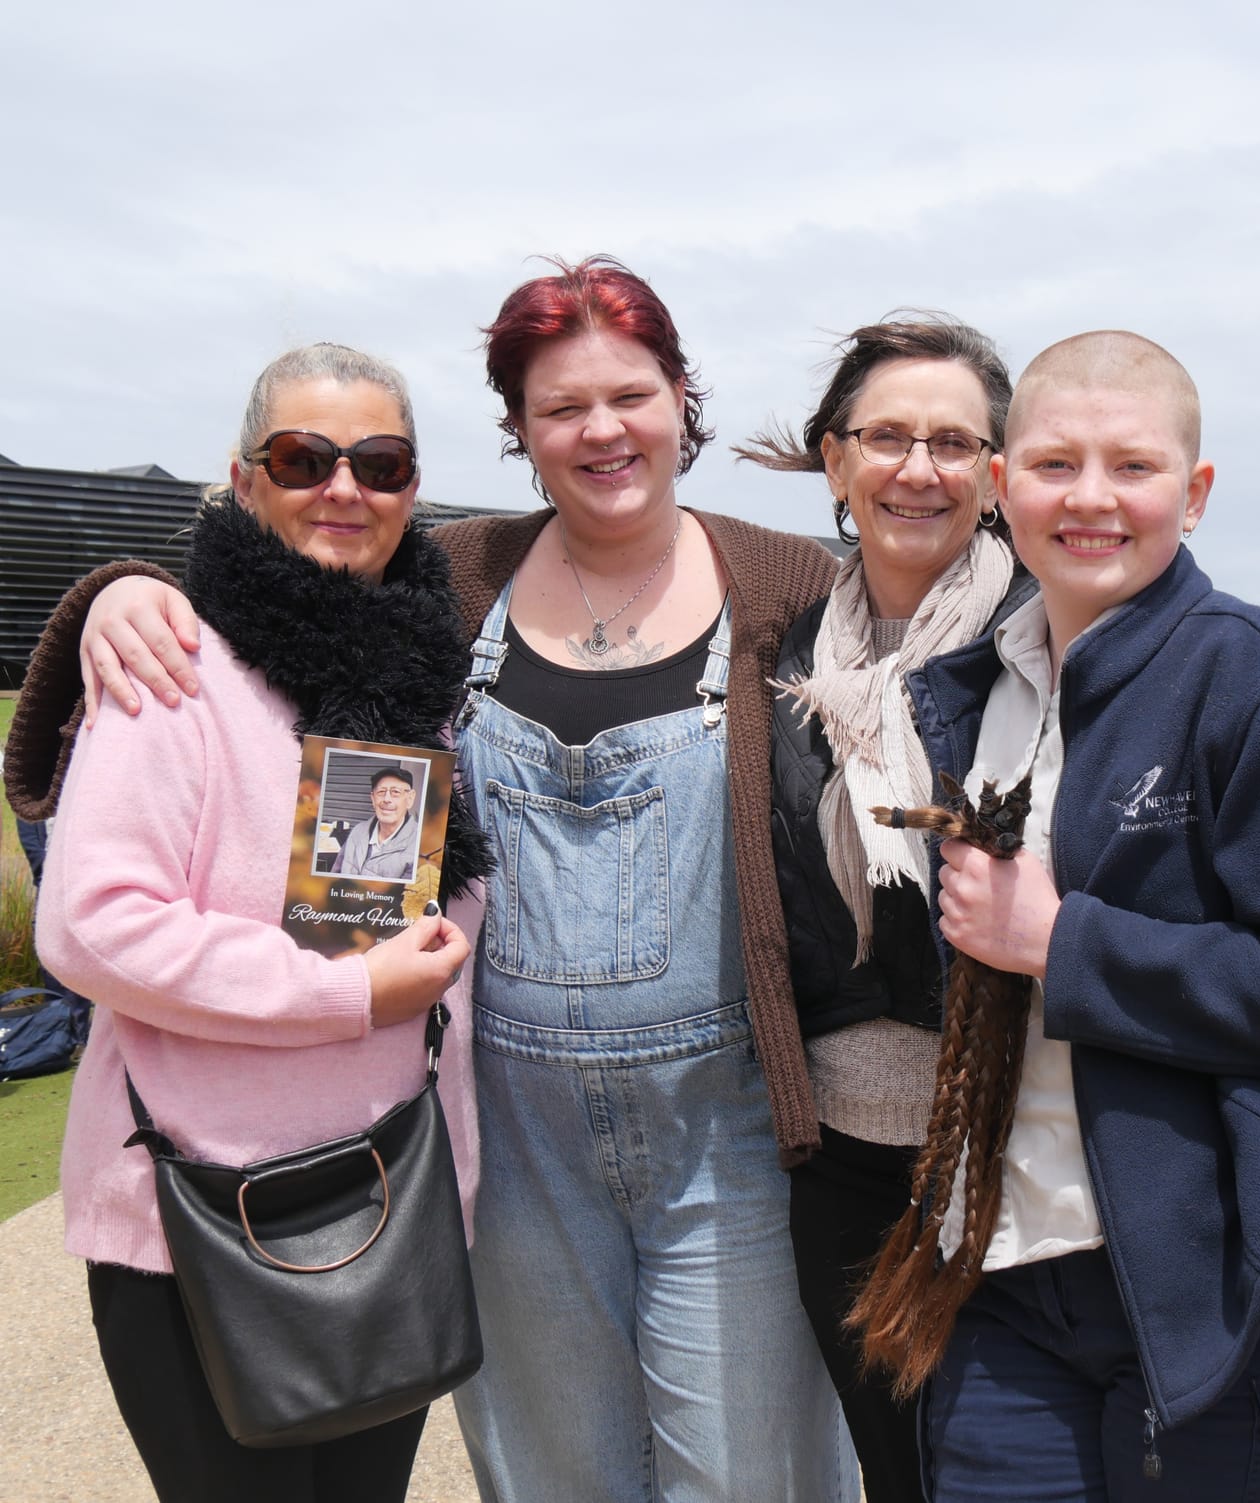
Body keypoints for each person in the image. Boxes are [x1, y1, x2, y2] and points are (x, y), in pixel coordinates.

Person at [5, 258, 854, 1503]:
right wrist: (114, 593)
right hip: (487, 1141)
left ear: (682, 397)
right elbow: (253, 611)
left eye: (630, 394)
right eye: (560, 407)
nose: (601, 429)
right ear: (518, 431)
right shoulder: (445, 584)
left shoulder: (783, 586)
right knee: (556, 1475)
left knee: (747, 1475)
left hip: (700, 1126)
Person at [885, 331, 1260, 1501]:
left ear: (1195, 491)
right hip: (1008, 1280)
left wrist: (1062, 944)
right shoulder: (976, 694)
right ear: (999, 487)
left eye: (1131, 466)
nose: (1090, 498)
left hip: (1231, 1285)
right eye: (1053, 465)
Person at [28, 343, 481, 1502]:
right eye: (303, 458)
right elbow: (91, 925)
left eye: (379, 464)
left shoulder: (416, 685)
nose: (344, 488)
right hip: (204, 1224)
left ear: (412, 490)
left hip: (387, 1203)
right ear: (243, 480)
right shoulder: (176, 666)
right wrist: (345, 992)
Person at [738, 314, 1032, 1503]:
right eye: (888, 438)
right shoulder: (781, 653)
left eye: (952, 443)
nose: (919, 469)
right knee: (896, 1477)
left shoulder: (1049, 639)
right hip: (844, 1166)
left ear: (994, 471)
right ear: (834, 459)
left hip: (1017, 1151)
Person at [337, 765, 420, 879]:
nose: (386, 799)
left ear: (410, 798)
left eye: (395, 792)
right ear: (373, 798)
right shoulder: (357, 831)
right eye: (381, 792)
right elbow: (334, 876)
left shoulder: (420, 844)